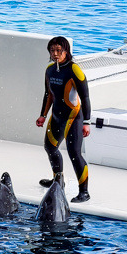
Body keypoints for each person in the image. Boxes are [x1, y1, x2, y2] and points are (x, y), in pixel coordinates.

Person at [35, 35, 92, 203]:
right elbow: (48, 95)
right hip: (56, 116)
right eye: (52, 50)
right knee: (50, 147)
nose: (55, 53)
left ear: (66, 51)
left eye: (58, 50)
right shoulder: (50, 70)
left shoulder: (74, 70)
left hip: (73, 118)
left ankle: (84, 192)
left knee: (74, 153)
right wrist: (43, 115)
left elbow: (85, 97)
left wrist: (87, 122)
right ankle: (58, 181)